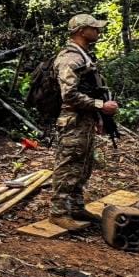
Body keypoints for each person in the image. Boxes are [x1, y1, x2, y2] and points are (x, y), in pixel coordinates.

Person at [50, 13, 120, 228]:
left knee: (83, 165)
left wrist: (97, 116)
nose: (98, 31)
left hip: (84, 119)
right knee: (69, 164)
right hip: (73, 120)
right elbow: (69, 94)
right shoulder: (70, 58)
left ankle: (76, 207)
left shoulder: (84, 56)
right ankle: (58, 212)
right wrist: (100, 106)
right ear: (81, 31)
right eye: (94, 28)